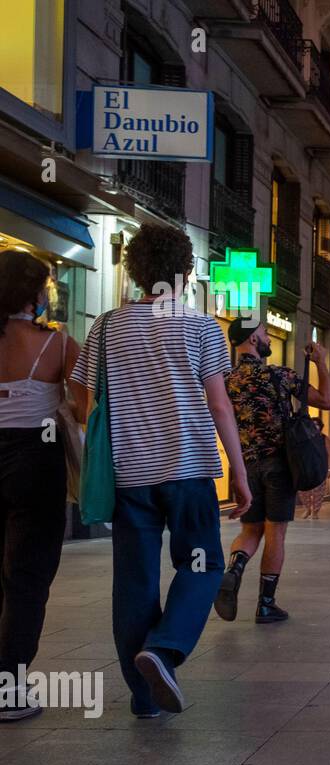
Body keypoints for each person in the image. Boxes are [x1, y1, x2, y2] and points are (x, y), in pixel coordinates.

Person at [68, 224, 251, 715]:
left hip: (129, 478)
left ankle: (143, 695)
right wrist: (239, 469)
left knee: (135, 581)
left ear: (134, 272)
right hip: (189, 474)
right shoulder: (201, 327)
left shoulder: (105, 327)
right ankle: (165, 649)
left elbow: (84, 403)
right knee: (204, 564)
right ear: (187, 271)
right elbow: (219, 406)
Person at [0, 251, 79, 721]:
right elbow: (87, 410)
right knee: (26, 576)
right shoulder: (59, 345)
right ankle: (8, 687)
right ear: (35, 294)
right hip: (35, 459)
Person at [217, 320, 330, 624]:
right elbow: (328, 401)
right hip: (279, 465)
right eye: (264, 332)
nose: (269, 337)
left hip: (245, 466)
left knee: (250, 529)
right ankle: (266, 603)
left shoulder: (226, 380)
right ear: (254, 339)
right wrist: (320, 362)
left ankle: (234, 570)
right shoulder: (279, 375)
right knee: (275, 533)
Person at [299, 418, 330, 519]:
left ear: (320, 426)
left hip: (320, 467)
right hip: (306, 467)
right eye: (312, 424)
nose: (315, 426)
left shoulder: (324, 438)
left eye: (317, 424)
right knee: (303, 490)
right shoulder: (305, 438)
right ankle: (308, 509)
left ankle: (315, 512)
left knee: (318, 491)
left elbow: (329, 454)